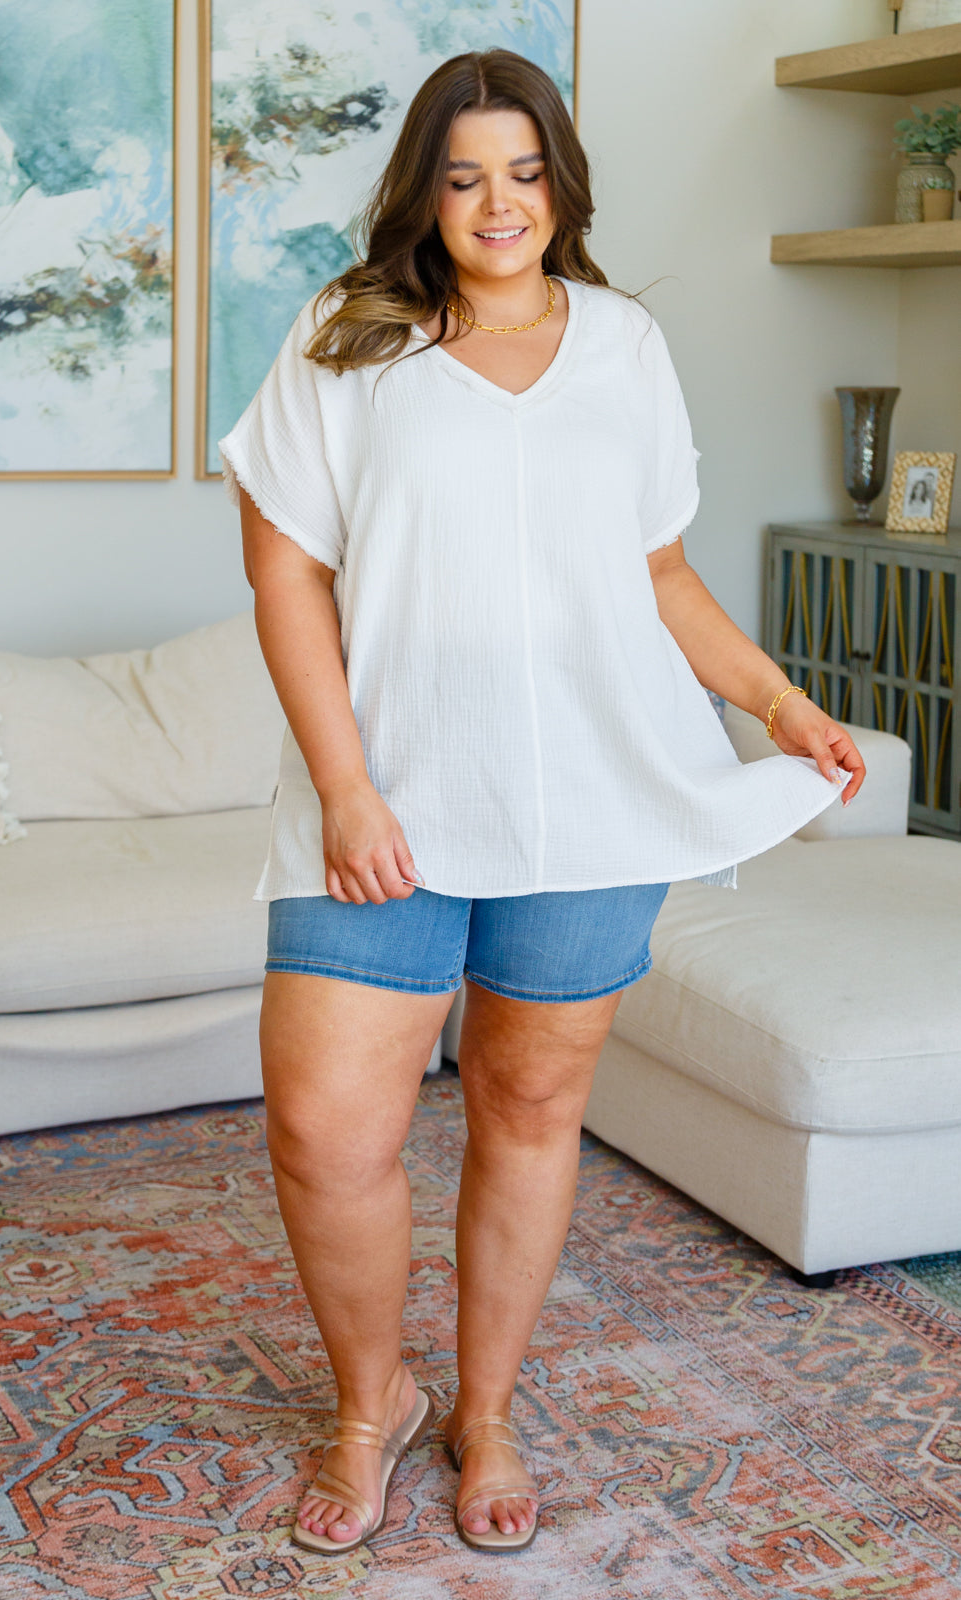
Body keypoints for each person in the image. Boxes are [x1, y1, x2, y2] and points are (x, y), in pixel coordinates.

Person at [219, 49, 865, 1557]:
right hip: (383, 806)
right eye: (463, 176)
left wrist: (778, 705)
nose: (496, 202)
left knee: (527, 1108)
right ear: (425, 192)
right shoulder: (348, 334)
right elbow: (283, 573)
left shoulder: (625, 344)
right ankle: (370, 1406)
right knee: (324, 1132)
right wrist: (345, 788)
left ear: (562, 185)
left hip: (590, 797)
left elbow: (660, 572)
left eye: (523, 172)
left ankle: (490, 1409)